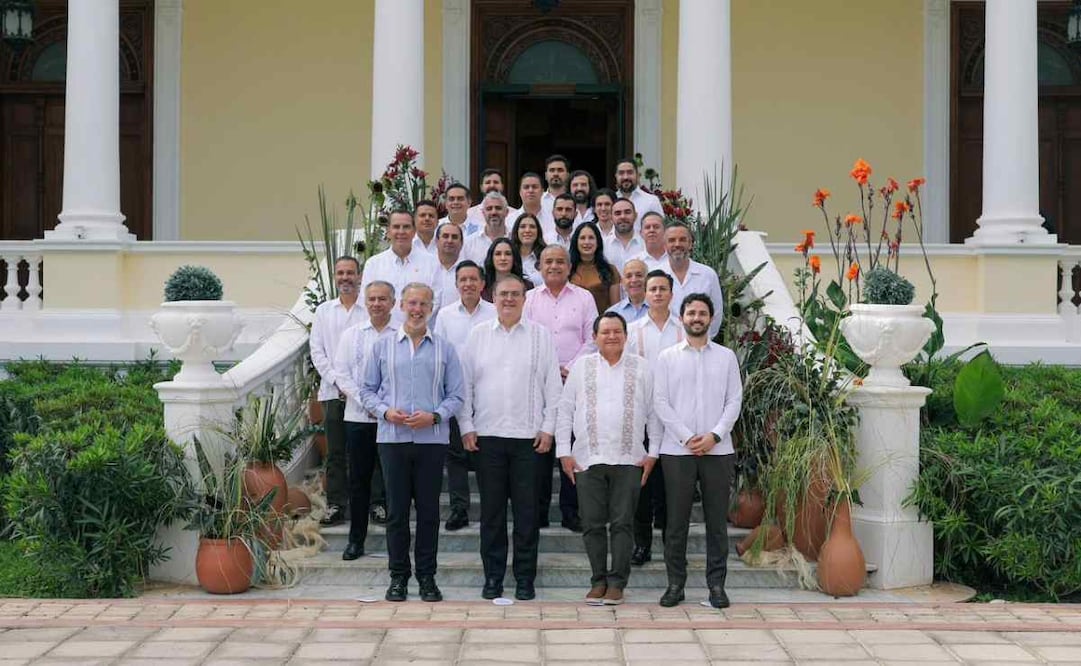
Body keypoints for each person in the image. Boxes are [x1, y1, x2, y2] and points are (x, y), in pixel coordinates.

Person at [460, 274, 563, 601]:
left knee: (526, 515)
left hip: (529, 440)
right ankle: (492, 577)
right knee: (491, 514)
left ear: (524, 298)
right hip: (488, 438)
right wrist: (466, 426)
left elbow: (552, 387)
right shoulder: (477, 336)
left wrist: (548, 428)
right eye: (503, 294)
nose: (508, 299)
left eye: (515, 294)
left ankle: (524, 579)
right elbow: (465, 387)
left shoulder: (541, 336)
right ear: (493, 296)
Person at [360, 283, 465, 603]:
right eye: (412, 303)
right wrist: (385, 411)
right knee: (396, 512)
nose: (417, 309)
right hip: (392, 440)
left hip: (431, 441)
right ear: (401, 306)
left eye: (424, 304)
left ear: (431, 308)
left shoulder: (445, 349)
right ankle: (398, 577)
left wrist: (434, 417)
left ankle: (427, 577)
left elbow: (457, 395)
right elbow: (366, 391)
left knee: (430, 512)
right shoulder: (382, 347)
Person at [556, 312, 661, 605]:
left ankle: (617, 582)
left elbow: (653, 414)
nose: (612, 336)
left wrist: (653, 453)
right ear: (595, 337)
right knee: (591, 523)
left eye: (617, 331)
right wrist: (564, 451)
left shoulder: (641, 368)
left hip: (629, 458)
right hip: (587, 458)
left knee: (623, 523)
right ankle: (598, 580)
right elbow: (565, 410)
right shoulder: (581, 367)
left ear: (626, 336)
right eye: (606, 332)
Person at [653, 293, 742, 609]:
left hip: (718, 452)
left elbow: (734, 401)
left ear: (711, 318)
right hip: (677, 451)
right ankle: (675, 584)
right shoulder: (667, 357)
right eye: (691, 312)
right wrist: (689, 437)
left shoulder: (726, 357)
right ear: (682, 317)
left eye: (702, 313)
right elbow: (660, 402)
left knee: (716, 523)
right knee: (675, 523)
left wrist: (715, 436)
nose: (696, 318)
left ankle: (716, 586)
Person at [524, 245, 598, 533]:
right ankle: (539, 510)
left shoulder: (584, 297)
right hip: (539, 384)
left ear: (569, 267)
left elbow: (593, 336)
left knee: (573, 447)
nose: (554, 266)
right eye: (548, 261)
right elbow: (526, 336)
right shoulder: (529, 299)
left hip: (575, 382)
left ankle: (571, 511)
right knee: (540, 450)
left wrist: (570, 367)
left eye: (559, 262)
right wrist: (548, 369)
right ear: (540, 267)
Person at [333, 281, 398, 560]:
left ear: (393, 303)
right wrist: (369, 404)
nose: (376, 304)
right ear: (365, 301)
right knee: (358, 483)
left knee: (396, 484)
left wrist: (385, 409)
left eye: (382, 299)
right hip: (359, 419)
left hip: (394, 421)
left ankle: (398, 544)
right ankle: (356, 540)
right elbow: (342, 375)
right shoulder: (351, 335)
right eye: (372, 299)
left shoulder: (402, 335)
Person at [626, 270, 684, 566]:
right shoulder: (634, 330)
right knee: (642, 484)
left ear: (672, 295)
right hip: (642, 416)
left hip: (676, 419)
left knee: (671, 486)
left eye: (663, 288)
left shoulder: (682, 330)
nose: (658, 293)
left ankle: (670, 545)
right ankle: (641, 544)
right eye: (653, 289)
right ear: (645, 294)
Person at [433, 261, 496, 532]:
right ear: (456, 284)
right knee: (456, 455)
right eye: (463, 279)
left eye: (473, 279)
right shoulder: (446, 316)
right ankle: (459, 508)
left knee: (487, 455)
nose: (468, 284)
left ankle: (491, 508)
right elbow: (438, 353)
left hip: (488, 392)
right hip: (456, 392)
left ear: (483, 284)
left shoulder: (494, 312)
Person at [309, 256, 368, 526]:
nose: (345, 277)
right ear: (335, 277)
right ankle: (335, 505)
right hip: (332, 393)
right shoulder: (324, 311)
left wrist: (355, 387)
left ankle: (375, 503)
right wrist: (338, 381)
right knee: (335, 452)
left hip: (364, 395)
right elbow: (317, 352)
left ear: (359, 276)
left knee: (370, 452)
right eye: (341, 273)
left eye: (350, 273)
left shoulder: (368, 309)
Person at [360, 210, 443, 326]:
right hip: (383, 334)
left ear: (414, 231)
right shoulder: (373, 264)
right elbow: (366, 300)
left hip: (419, 334)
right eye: (396, 227)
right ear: (388, 232)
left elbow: (436, 301)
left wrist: (412, 326)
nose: (401, 231)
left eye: (406, 227)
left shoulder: (432, 263)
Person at [663, 222, 725, 340]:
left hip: (699, 345)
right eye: (671, 240)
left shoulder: (707, 275)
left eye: (682, 240)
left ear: (690, 244)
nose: (677, 244)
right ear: (664, 245)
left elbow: (716, 314)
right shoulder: (656, 275)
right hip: (665, 346)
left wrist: (702, 339)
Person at [569, 221, 621, 313]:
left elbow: (615, 308)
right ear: (576, 242)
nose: (587, 242)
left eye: (591, 238)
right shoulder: (567, 270)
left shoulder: (610, 270)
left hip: (602, 324)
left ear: (598, 242)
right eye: (582, 238)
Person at [614, 157, 663, 227]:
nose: (625, 177)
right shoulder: (611, 201)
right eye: (621, 173)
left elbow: (660, 229)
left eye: (630, 172)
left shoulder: (651, 201)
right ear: (616, 176)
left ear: (637, 175)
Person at [463, 191, 510, 265]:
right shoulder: (469, 243)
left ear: (506, 212)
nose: (494, 212)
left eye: (498, 208)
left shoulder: (514, 239)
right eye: (489, 209)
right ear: (483, 213)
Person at [481, 237, 533, 302]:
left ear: (514, 258)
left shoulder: (528, 287)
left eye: (508, 254)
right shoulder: (482, 287)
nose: (503, 258)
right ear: (491, 258)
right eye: (498, 254)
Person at [607, 198, 646, 271]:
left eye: (627, 212)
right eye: (617, 213)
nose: (623, 217)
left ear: (635, 216)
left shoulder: (645, 243)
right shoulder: (603, 245)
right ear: (611, 218)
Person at [606, 258, 650, 324]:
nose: (634, 280)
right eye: (629, 276)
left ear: (647, 279)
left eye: (639, 275)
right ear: (622, 282)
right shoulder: (613, 313)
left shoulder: (659, 308)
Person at [515, 172, 555, 241]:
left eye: (534, 187)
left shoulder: (553, 218)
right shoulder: (510, 219)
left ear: (542, 191)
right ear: (520, 192)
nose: (530, 190)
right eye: (526, 187)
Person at [511, 212, 546, 288]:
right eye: (523, 227)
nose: (527, 230)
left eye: (532, 227)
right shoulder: (509, 256)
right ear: (516, 231)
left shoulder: (546, 256)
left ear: (538, 231)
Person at [433, 222, 464, 303]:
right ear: (436, 241)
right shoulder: (425, 268)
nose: (450, 241)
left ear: (462, 243)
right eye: (445, 236)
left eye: (454, 237)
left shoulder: (468, 271)